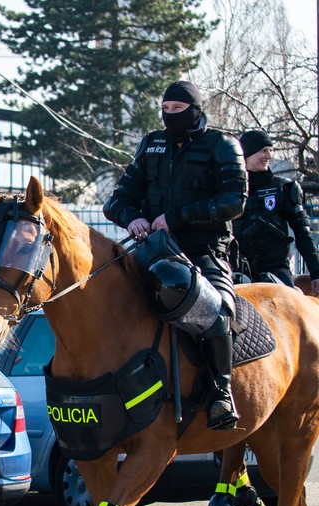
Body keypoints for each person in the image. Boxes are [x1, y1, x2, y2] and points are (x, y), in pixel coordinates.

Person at [103, 81, 247, 430]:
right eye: (164, 110)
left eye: (177, 111)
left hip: (204, 251)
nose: (169, 117)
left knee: (215, 313)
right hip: (153, 250)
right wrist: (132, 217)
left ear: (195, 111)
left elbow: (234, 202)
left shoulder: (223, 145)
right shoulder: (151, 143)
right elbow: (115, 200)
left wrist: (178, 217)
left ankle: (220, 393)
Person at [232, 130, 319, 295]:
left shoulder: (283, 188)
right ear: (247, 153)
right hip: (239, 270)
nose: (268, 156)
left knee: (289, 306)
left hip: (275, 269)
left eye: (270, 150)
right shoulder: (230, 191)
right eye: (263, 150)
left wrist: (316, 272)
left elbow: (302, 233)